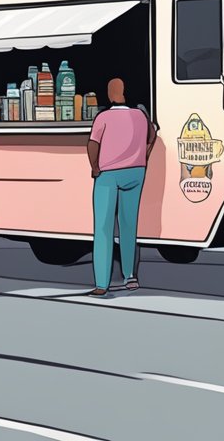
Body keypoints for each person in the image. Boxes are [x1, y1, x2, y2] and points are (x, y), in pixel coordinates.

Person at [86, 78, 156, 296]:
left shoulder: (103, 117)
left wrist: (95, 167)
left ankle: (101, 284)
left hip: (109, 174)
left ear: (112, 93)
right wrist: (144, 153)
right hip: (136, 172)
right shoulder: (141, 116)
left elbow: (92, 145)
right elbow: (152, 135)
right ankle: (130, 277)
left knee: (104, 229)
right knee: (128, 226)